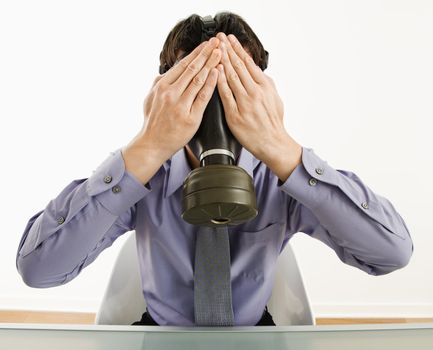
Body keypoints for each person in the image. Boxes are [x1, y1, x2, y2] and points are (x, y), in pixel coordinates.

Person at [16, 12, 413, 327]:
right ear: (164, 93)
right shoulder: (144, 178)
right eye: (195, 87)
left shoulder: (281, 180)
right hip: (161, 335)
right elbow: (39, 269)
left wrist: (285, 151)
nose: (215, 109)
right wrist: (145, 148)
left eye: (233, 88)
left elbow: (390, 253)